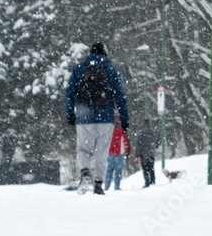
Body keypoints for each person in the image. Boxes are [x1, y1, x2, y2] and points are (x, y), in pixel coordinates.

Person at [65, 42, 130, 195]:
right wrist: (124, 118)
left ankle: (85, 172)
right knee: (102, 151)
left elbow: (69, 92)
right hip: (105, 118)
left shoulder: (79, 69)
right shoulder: (110, 70)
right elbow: (120, 96)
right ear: (104, 54)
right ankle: (99, 183)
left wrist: (70, 113)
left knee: (83, 149)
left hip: (84, 118)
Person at [104, 120, 130, 191]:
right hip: (119, 154)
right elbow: (125, 143)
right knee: (118, 171)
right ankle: (116, 186)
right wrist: (127, 151)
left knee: (109, 170)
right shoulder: (121, 132)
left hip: (110, 153)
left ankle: (107, 185)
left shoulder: (109, 132)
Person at [134, 118, 158, 188]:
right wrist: (153, 147)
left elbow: (138, 144)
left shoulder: (141, 132)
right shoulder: (154, 132)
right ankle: (153, 181)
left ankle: (147, 182)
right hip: (151, 153)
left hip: (143, 153)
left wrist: (137, 155)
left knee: (145, 169)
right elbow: (158, 142)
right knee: (151, 167)